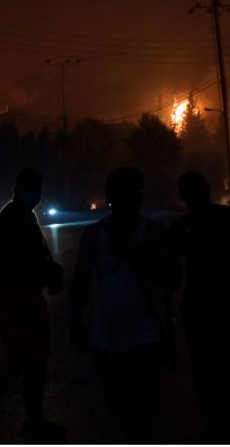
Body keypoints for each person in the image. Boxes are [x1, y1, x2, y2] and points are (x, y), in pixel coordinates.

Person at [70, 167, 177, 442]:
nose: (131, 197)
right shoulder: (98, 236)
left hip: (140, 338)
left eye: (136, 191)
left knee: (136, 413)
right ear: (111, 196)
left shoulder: (152, 234)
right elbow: (81, 283)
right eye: (126, 191)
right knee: (126, 412)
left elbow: (170, 280)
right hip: (113, 340)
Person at [0, 169, 66, 439]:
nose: (39, 196)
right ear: (22, 189)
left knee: (29, 358)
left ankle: (27, 416)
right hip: (15, 294)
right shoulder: (18, 216)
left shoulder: (20, 214)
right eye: (36, 190)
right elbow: (18, 259)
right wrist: (48, 271)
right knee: (23, 358)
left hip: (16, 292)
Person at [170, 171, 230, 442]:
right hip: (218, 299)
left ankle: (217, 419)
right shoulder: (227, 218)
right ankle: (222, 419)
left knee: (208, 364)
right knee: (223, 362)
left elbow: (170, 273)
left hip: (206, 301)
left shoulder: (184, 226)